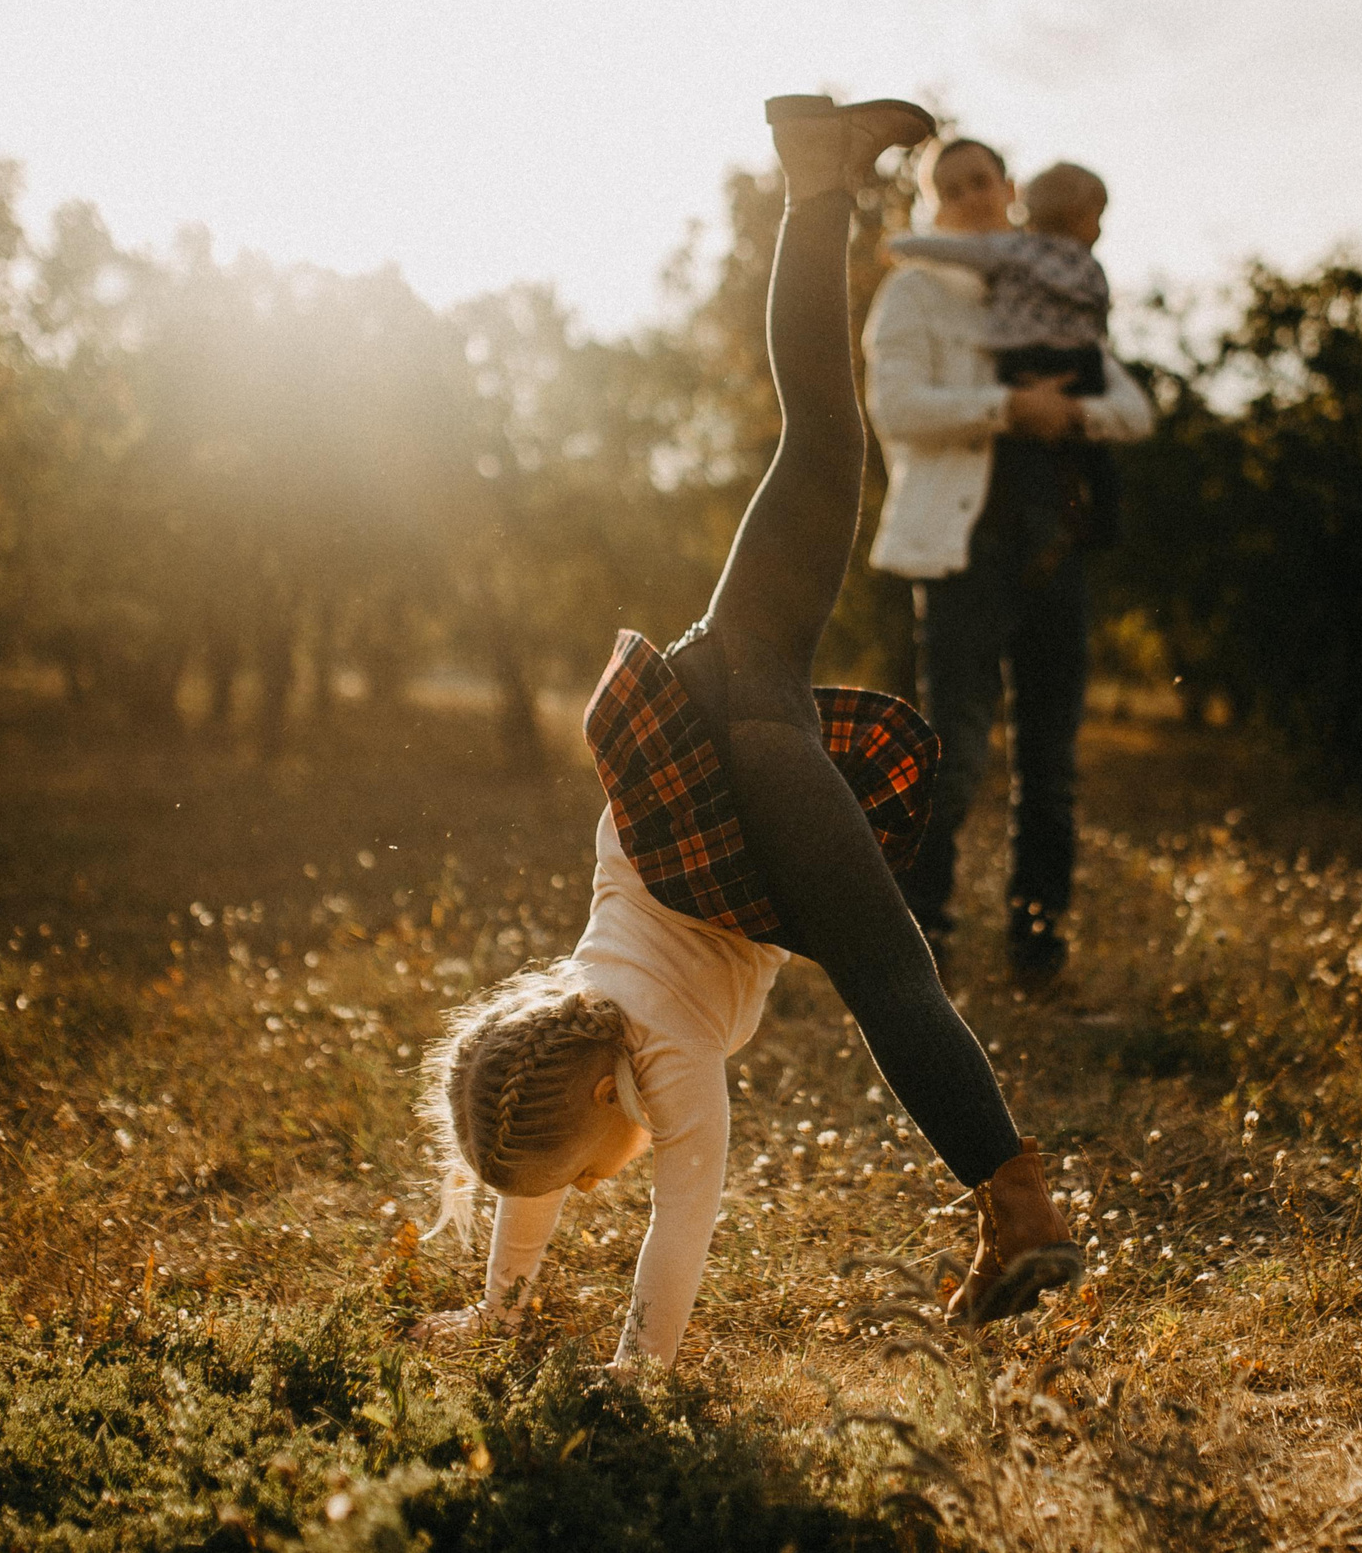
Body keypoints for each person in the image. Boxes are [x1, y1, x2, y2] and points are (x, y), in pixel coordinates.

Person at [415, 96, 1080, 1370]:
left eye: (585, 1165)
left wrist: (633, 1374)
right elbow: (530, 1158)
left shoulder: (661, 1069)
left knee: (890, 974)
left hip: (748, 796)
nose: (595, 1183)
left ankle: (1019, 1211)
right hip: (718, 693)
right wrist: (495, 1306)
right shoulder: (574, 1023)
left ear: (613, 1094)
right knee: (825, 439)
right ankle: (817, 180)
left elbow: (679, 1224)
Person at [864, 140, 1153, 982]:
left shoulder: (1046, 287)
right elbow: (897, 406)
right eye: (949, 189)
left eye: (980, 181)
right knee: (951, 754)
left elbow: (1131, 409)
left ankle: (1037, 944)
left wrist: (1068, 417)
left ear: (1009, 188)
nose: (968, 197)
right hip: (963, 550)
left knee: (1051, 764)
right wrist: (1007, 406)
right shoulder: (912, 292)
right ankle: (921, 943)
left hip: (1056, 549)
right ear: (934, 205)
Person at [886, 161, 1114, 397]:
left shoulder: (1016, 249)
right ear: (1076, 216)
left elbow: (956, 250)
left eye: (980, 183)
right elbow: (1101, 317)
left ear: (1012, 192)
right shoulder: (1090, 267)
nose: (971, 200)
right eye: (952, 193)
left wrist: (899, 245)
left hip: (1021, 356)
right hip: (1082, 360)